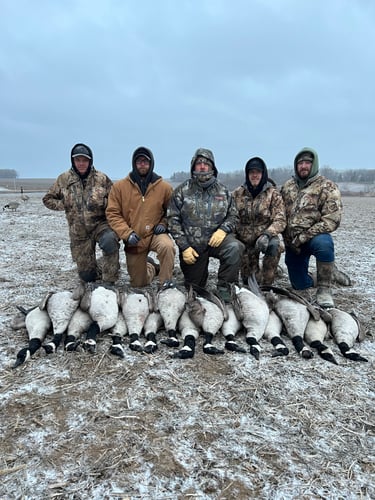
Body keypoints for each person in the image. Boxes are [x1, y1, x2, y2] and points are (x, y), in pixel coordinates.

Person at [167, 148, 245, 302]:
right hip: (193, 246)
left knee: (235, 247)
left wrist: (223, 230)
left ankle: (225, 287)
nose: (202, 166)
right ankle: (198, 280)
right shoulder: (182, 191)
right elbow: (172, 219)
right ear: (193, 167)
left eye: (206, 163)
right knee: (195, 289)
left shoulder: (223, 191)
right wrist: (184, 246)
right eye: (199, 163)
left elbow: (233, 215)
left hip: (217, 241)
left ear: (212, 167)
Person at [43, 143, 120, 284]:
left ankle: (110, 280)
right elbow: (47, 199)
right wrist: (64, 205)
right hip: (78, 232)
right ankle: (97, 268)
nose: (81, 163)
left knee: (110, 240)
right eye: (78, 160)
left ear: (90, 161)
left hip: (100, 225)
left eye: (84, 160)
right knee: (87, 277)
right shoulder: (64, 179)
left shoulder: (101, 179)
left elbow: (116, 200)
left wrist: (107, 208)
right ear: (73, 161)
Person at [281, 147, 343, 307]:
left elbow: (332, 220)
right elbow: (278, 213)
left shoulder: (327, 186)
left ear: (314, 164)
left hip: (313, 238)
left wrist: (304, 236)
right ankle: (325, 275)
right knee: (299, 284)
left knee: (324, 244)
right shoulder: (288, 186)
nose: (303, 166)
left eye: (307, 162)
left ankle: (324, 289)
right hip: (293, 244)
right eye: (300, 163)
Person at [106, 146, 175, 288]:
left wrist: (164, 224)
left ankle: (166, 284)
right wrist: (127, 233)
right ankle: (151, 268)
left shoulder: (164, 188)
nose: (142, 164)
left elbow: (172, 212)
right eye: (139, 162)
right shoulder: (119, 187)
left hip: (155, 234)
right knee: (138, 284)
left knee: (167, 246)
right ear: (134, 164)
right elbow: (112, 213)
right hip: (134, 238)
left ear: (151, 164)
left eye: (145, 161)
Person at [232, 156, 286, 285]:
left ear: (263, 174)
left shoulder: (273, 194)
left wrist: (267, 234)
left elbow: (280, 219)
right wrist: (234, 236)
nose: (254, 175)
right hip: (244, 240)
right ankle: (251, 273)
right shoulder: (237, 194)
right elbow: (231, 216)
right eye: (251, 172)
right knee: (249, 281)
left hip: (265, 237)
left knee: (274, 246)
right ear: (247, 174)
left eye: (258, 172)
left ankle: (268, 283)